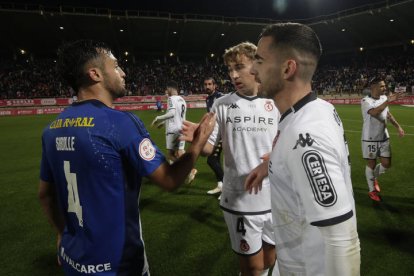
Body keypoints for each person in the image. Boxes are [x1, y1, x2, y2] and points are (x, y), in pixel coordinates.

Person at [38, 40, 215, 276]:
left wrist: (61, 233)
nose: (123, 72)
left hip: (73, 260)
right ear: (95, 74)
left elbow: (46, 195)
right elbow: (170, 180)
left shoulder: (52, 129)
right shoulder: (120, 123)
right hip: (119, 263)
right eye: (117, 65)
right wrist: (198, 144)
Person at [246, 22, 361, 275]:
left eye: (260, 61)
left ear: (288, 68)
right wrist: (273, 163)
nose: (252, 69)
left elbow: (342, 239)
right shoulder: (317, 109)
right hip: (292, 261)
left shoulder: (305, 134)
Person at [182, 42, 279, 276]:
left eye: (239, 67)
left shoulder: (276, 101)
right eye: (229, 69)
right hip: (240, 200)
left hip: (277, 198)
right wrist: (197, 139)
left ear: (257, 65)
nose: (233, 75)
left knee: (269, 260)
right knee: (253, 269)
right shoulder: (223, 104)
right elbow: (208, 148)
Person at [361, 77, 405, 202]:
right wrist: (388, 101)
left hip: (384, 137)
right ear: (373, 87)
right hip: (370, 139)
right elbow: (375, 112)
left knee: (386, 164)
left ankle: (373, 177)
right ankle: (372, 191)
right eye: (381, 86)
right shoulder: (365, 101)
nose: (384, 88)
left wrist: (398, 127)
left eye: (384, 86)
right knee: (372, 164)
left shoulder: (384, 98)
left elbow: (388, 114)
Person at [151, 81, 198, 184]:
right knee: (180, 152)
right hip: (182, 128)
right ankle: (188, 170)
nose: (166, 91)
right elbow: (176, 115)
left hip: (173, 131)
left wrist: (158, 118)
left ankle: (186, 171)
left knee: (170, 155)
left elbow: (171, 113)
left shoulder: (171, 99)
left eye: (167, 89)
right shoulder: (182, 99)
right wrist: (163, 122)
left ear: (170, 88)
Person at [203, 77, 224, 197]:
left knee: (211, 160)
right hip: (215, 133)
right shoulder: (208, 99)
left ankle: (226, 188)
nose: (207, 86)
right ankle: (220, 185)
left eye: (210, 84)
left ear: (215, 85)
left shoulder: (220, 97)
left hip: (222, 133)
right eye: (205, 84)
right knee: (215, 160)